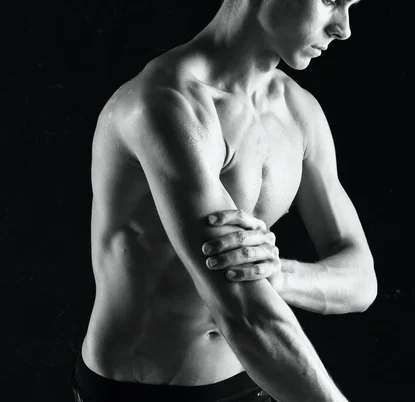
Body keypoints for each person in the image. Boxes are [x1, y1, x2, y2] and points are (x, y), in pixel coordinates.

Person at [70, 0, 376, 401]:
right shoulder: (164, 104)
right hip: (138, 391)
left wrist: (279, 274)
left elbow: (361, 281)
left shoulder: (299, 113)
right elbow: (244, 314)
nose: (344, 28)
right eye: (331, 1)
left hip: (254, 377)